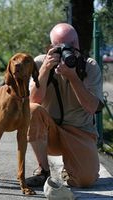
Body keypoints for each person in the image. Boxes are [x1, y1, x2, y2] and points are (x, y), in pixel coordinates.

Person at [26, 23, 104, 188]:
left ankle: (70, 169)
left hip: (80, 132)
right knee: (32, 110)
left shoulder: (89, 67)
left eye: (72, 44)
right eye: (61, 46)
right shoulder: (40, 63)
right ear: (52, 47)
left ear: (78, 44)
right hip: (50, 131)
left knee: (84, 180)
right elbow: (34, 101)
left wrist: (73, 77)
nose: (69, 50)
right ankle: (43, 170)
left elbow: (92, 107)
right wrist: (46, 69)